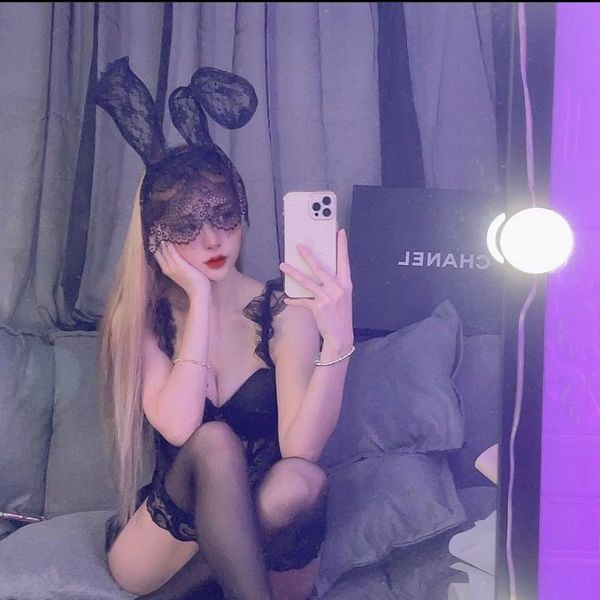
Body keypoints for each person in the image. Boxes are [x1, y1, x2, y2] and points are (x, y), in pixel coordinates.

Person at [95, 58, 354, 600]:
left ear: (244, 211)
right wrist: (198, 299)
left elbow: (300, 448)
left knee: (303, 481)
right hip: (168, 542)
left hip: (262, 526)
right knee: (212, 441)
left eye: (223, 216)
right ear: (155, 238)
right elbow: (178, 427)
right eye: (187, 225)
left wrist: (339, 340)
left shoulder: (282, 311)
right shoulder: (139, 317)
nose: (212, 240)